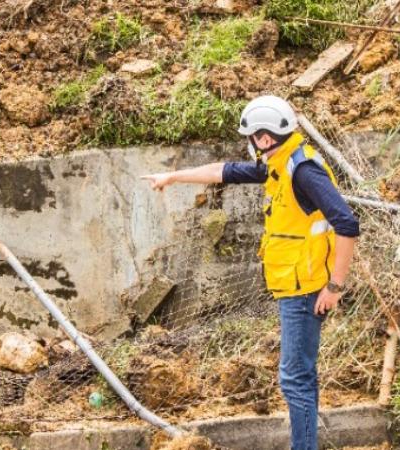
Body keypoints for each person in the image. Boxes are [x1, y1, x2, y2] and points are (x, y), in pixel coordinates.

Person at [141, 95, 360, 450]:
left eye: (251, 136)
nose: (250, 144)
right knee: (300, 375)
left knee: (294, 378)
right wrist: (173, 176)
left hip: (304, 288)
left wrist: (335, 286)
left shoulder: (303, 171)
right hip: (294, 282)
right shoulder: (281, 163)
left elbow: (347, 223)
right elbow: (224, 171)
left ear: (264, 137)